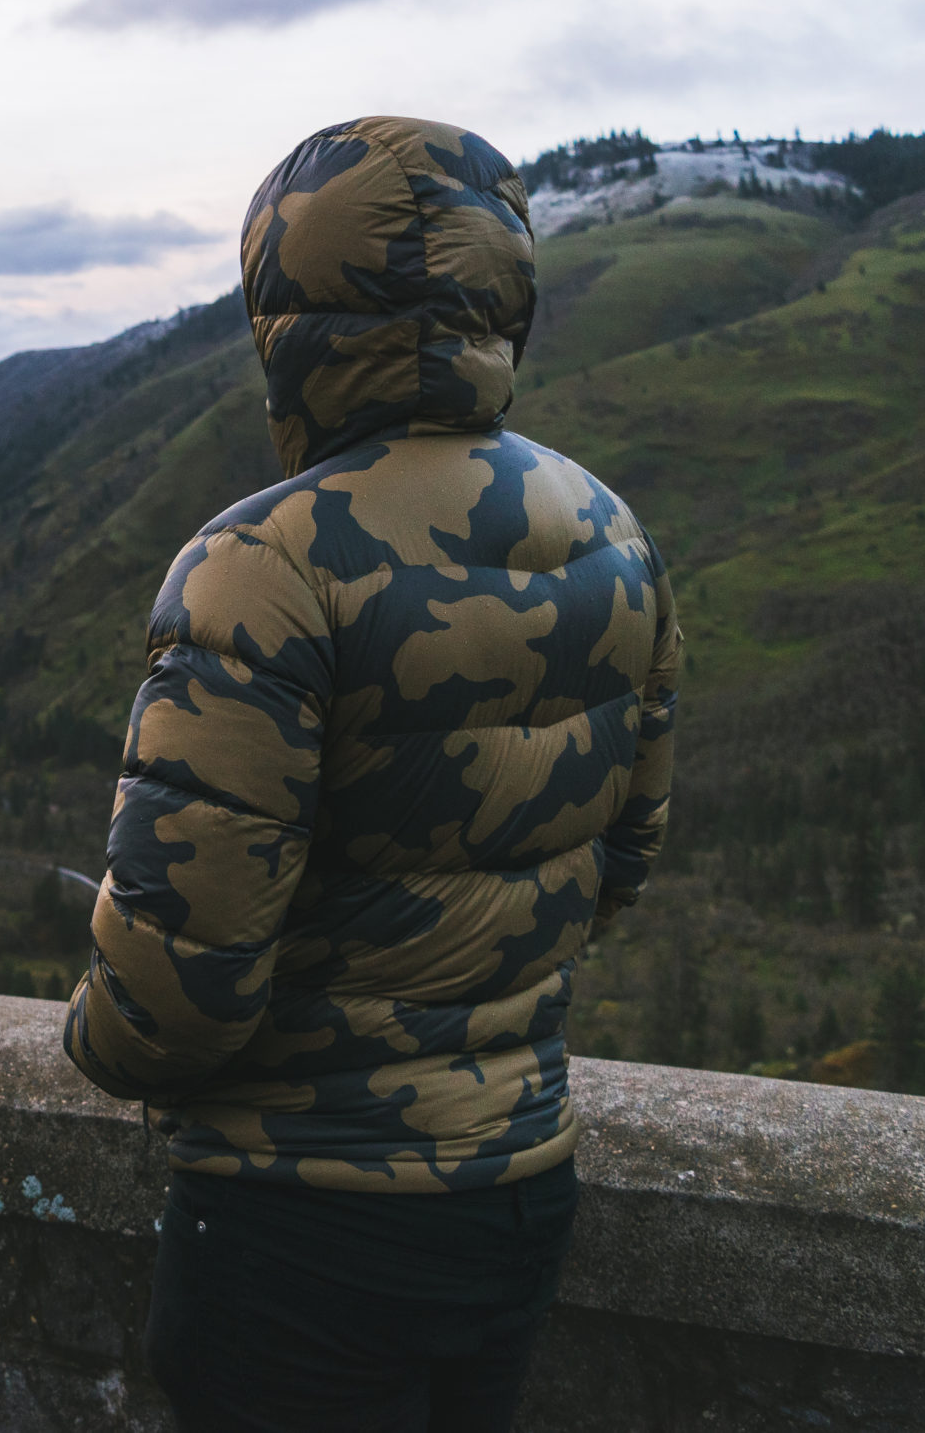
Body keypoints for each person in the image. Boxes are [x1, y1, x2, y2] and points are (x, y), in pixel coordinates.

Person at [63, 116, 680, 1433]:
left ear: (288, 317)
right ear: (501, 297)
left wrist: (89, 1036)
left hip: (300, 1225)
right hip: (520, 1187)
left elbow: (171, 997)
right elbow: (618, 866)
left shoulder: (263, 565)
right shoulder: (613, 534)